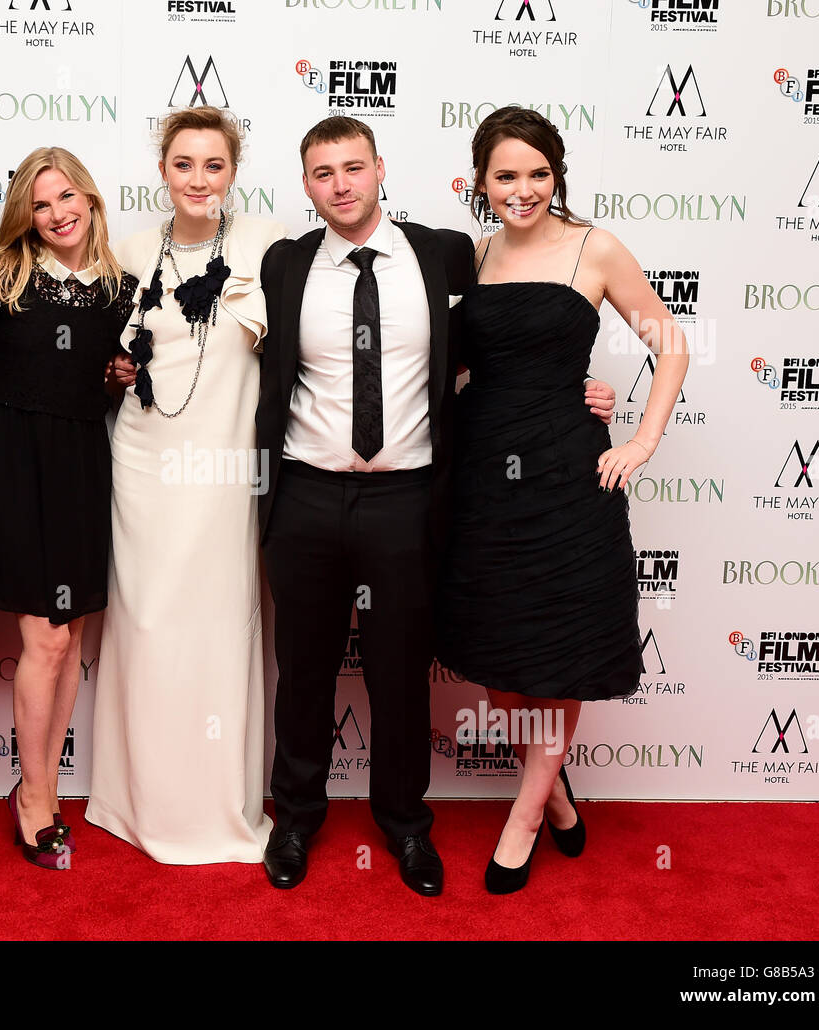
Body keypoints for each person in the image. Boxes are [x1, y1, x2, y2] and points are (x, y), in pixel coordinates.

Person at [255, 116, 617, 897]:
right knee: (305, 667)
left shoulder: (443, 252)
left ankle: (404, 825)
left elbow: (519, 326)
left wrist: (574, 390)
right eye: (323, 173)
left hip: (408, 495)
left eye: (354, 167)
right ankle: (295, 819)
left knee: (398, 672)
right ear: (306, 184)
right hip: (307, 493)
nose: (341, 184)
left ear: (382, 169)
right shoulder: (284, 265)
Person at [437, 105, 688, 894]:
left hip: (571, 476)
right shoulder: (468, 258)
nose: (523, 189)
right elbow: (453, 370)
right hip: (483, 476)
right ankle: (557, 794)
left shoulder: (595, 247)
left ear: (558, 175)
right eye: (506, 175)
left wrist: (641, 439)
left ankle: (523, 815)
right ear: (480, 183)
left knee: (563, 650)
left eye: (538, 173)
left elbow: (669, 341)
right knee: (501, 662)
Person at [86, 106, 287, 864]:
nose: (198, 179)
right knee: (146, 633)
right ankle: (139, 804)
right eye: (184, 165)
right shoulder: (129, 250)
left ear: (232, 172)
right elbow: (96, 360)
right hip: (143, 465)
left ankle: (215, 808)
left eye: (213, 165)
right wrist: (111, 371)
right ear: (162, 171)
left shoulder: (270, 246)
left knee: (220, 630)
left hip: (228, 469)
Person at [0, 148, 136, 870]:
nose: (58, 213)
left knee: (66, 638)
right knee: (43, 640)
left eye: (68, 196)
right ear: (24, 218)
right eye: (41, 204)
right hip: (9, 463)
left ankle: (42, 786)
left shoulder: (121, 290)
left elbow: (107, 381)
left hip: (79, 464)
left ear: (92, 200)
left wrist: (121, 376)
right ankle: (35, 794)